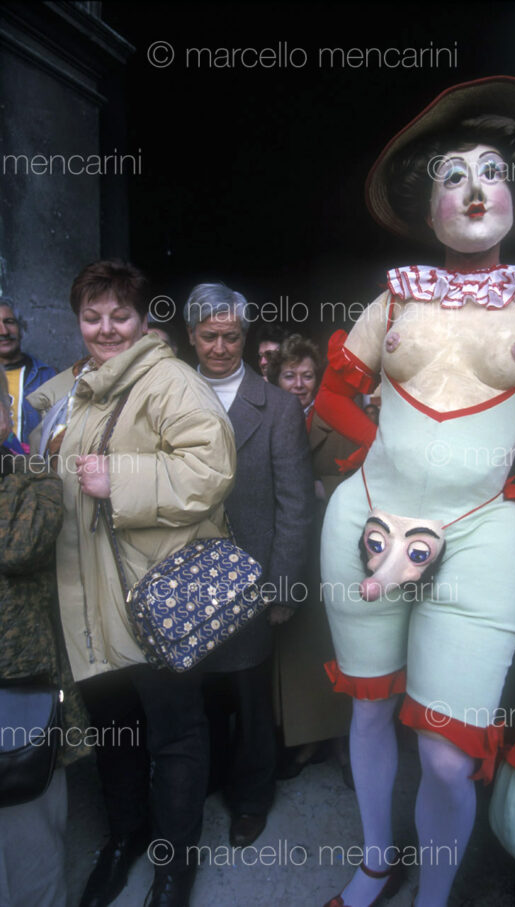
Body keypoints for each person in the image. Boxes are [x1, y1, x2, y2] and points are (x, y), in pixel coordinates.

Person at [314, 77, 515, 907]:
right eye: (452, 176)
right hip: (364, 520)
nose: (474, 189)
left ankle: (434, 899)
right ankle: (375, 861)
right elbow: (332, 394)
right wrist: (377, 446)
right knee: (368, 713)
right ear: (425, 203)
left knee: (443, 751)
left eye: (492, 172)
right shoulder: (396, 292)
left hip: (481, 537)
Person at [28, 261, 236, 907]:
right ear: (79, 321)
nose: (106, 328)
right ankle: (125, 838)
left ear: (144, 320)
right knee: (115, 731)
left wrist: (121, 479)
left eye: (120, 314)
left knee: (175, 733)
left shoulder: (168, 379)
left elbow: (212, 466)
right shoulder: (72, 387)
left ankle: (173, 864)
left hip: (157, 598)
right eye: (92, 316)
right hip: (86, 600)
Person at [184, 283, 313, 848]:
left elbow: (295, 504)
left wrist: (283, 588)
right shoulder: (170, 397)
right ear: (191, 336)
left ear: (244, 335)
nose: (219, 346)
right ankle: (210, 776)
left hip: (251, 578)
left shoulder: (278, 406)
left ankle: (252, 796)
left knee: (251, 695)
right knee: (198, 688)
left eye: (230, 335)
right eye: (208, 336)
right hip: (185, 576)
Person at [0, 365, 89, 907]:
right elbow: (17, 541)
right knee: (22, 831)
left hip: (22, 684)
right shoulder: (22, 480)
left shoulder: (23, 472)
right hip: (18, 685)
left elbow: (19, 543)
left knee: (28, 828)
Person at [268, 334, 355, 782]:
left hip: (332, 552)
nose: (299, 384)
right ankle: (306, 739)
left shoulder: (338, 423)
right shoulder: (266, 422)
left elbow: (369, 483)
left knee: (334, 647)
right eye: (289, 375)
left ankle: (342, 741)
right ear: (274, 378)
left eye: (307, 375)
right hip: (287, 551)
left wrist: (324, 487)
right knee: (298, 650)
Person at [0, 297, 56, 448]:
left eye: (9, 322)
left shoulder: (46, 377)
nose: (3, 331)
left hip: (33, 469)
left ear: (21, 327)